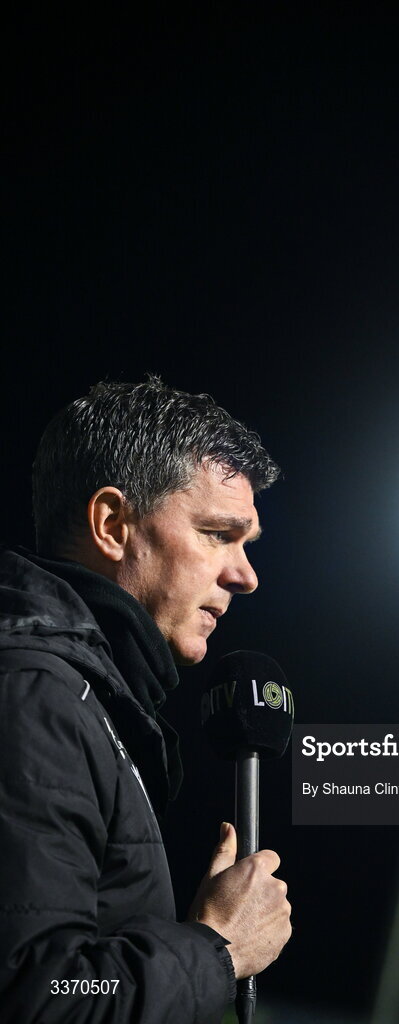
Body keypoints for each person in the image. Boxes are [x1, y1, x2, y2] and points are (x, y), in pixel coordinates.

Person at [0, 377, 292, 1023]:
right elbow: (40, 997)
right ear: (112, 524)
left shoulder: (83, 698)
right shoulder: (36, 696)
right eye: (218, 533)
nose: (244, 576)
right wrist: (215, 950)